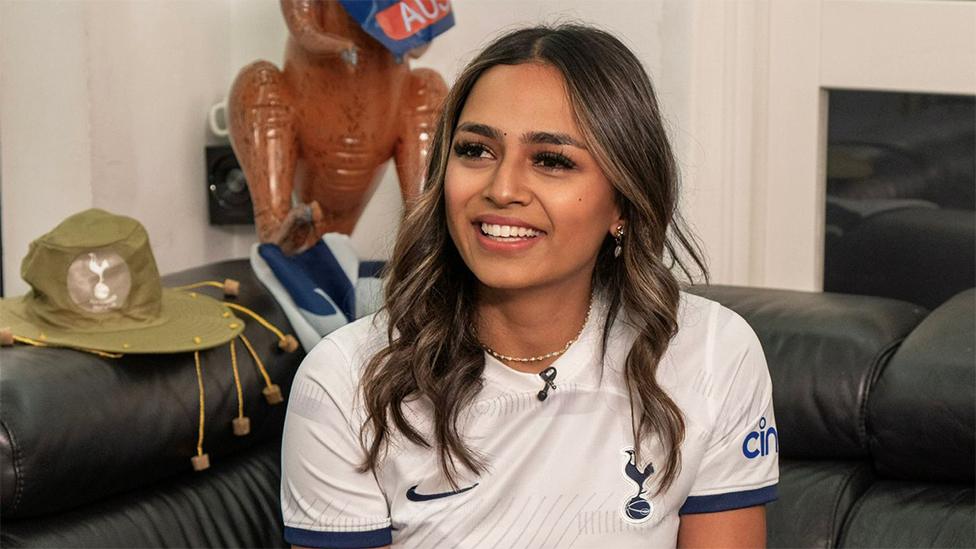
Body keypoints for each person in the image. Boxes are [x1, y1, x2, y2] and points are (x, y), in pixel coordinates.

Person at [281, 24, 778, 549]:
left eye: (552, 160)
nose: (502, 189)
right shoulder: (345, 383)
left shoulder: (711, 352)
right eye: (475, 150)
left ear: (623, 203)